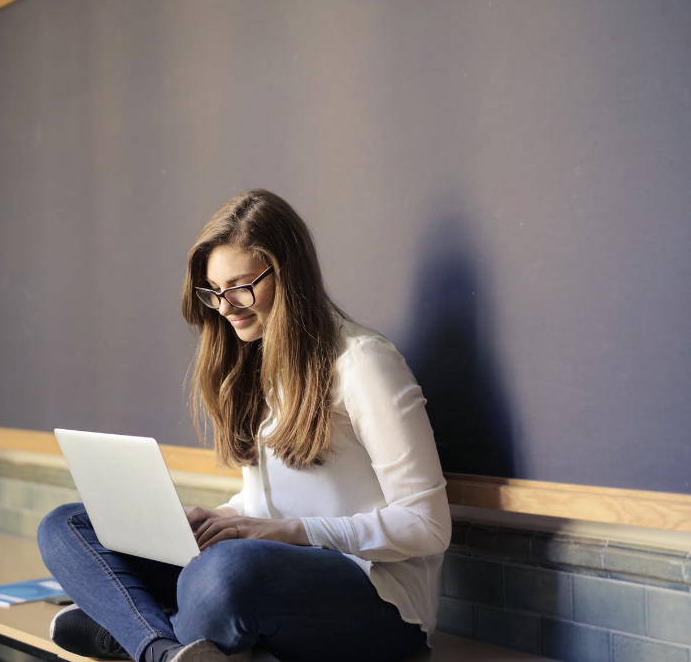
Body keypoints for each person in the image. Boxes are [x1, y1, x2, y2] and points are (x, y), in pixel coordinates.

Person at [38, 189, 451, 662]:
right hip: (266, 569)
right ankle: (163, 651)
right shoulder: (255, 363)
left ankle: (135, 629)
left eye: (239, 287)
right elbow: (271, 502)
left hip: (377, 600)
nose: (226, 306)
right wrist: (220, 517)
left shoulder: (365, 363)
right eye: (214, 292)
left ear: (288, 273)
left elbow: (427, 526)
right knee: (65, 525)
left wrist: (293, 531)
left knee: (222, 575)